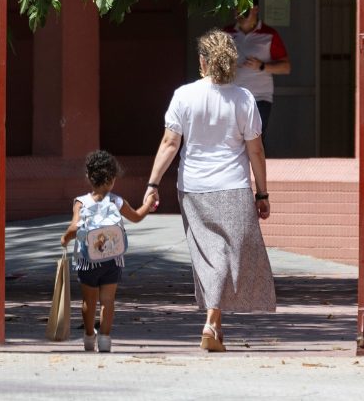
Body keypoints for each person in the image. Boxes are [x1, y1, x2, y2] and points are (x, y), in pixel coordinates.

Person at [144, 29, 276, 352]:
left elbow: (169, 143)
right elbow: (256, 151)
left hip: (194, 189)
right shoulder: (244, 98)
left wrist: (152, 183)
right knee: (227, 256)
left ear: (203, 62)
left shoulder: (183, 96)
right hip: (233, 187)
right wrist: (262, 193)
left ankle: (214, 325)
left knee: (208, 255)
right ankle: (211, 323)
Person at [61, 150, 157, 353]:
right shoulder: (116, 201)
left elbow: (74, 227)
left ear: (88, 177)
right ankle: (104, 338)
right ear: (113, 179)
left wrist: (64, 239)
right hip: (113, 259)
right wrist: (148, 204)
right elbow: (138, 216)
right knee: (108, 301)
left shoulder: (80, 202)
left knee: (89, 301)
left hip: (88, 261)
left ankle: (88, 336)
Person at [224, 0, 291, 140]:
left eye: (244, 9)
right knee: (231, 139)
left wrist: (261, 65)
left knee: (255, 139)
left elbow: (285, 67)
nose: (240, 13)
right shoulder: (226, 33)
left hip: (260, 97)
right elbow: (213, 63)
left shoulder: (269, 34)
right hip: (230, 96)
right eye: (237, 9)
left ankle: (258, 163)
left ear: (255, 9)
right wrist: (227, 65)